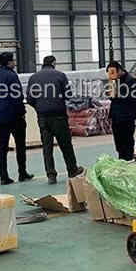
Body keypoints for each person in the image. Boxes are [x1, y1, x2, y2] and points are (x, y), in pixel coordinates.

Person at [27, 55, 83, 185]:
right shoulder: (60, 75)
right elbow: (68, 95)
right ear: (53, 63)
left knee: (47, 147)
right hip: (59, 116)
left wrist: (39, 107)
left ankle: (51, 175)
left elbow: (29, 99)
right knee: (65, 145)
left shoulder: (33, 78)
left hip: (43, 117)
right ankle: (72, 170)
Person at [0, 52, 33, 186]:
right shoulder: (12, 76)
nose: (14, 63)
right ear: (9, 62)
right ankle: (22, 173)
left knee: (2, 148)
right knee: (20, 146)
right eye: (13, 61)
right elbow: (18, 97)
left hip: (1, 118)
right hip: (15, 117)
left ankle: (4, 177)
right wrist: (21, 112)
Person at [106, 60, 136, 161]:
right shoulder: (114, 81)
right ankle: (121, 159)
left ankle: (128, 160)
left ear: (119, 70)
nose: (112, 75)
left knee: (127, 142)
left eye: (113, 72)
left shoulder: (131, 81)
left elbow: (132, 98)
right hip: (116, 117)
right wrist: (111, 89)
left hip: (127, 116)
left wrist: (117, 93)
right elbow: (112, 98)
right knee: (118, 142)